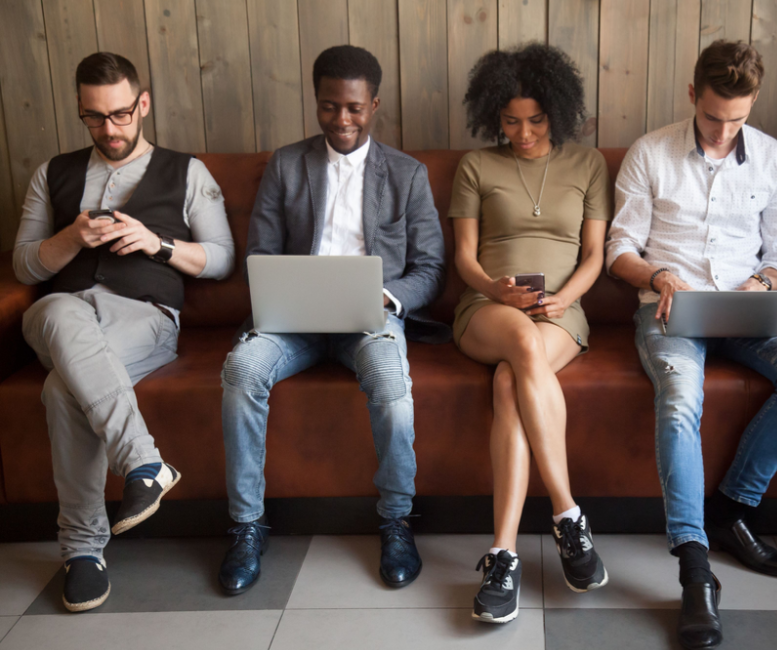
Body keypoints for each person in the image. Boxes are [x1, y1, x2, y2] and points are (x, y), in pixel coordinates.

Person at [606, 40, 777, 648]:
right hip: (670, 309)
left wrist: (762, 281)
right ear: (691, 96)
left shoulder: (776, 162)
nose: (723, 131)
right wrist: (657, 275)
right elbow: (618, 250)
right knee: (680, 398)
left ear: (753, 101)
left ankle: (733, 507)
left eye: (737, 118)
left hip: (748, 306)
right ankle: (694, 567)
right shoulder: (650, 153)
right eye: (713, 118)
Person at [218, 45, 446, 595]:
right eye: (328, 107)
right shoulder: (287, 163)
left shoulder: (407, 174)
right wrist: (278, 291)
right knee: (241, 371)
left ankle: (396, 520)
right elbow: (261, 254)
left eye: (353, 108)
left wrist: (387, 299)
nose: (341, 120)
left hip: (370, 317)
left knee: (392, 382)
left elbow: (431, 268)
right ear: (316, 103)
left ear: (374, 104)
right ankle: (247, 525)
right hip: (292, 321)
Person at [13, 52, 235, 612]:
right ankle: (142, 463)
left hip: (144, 316)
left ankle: (83, 550)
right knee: (58, 312)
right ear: (81, 112)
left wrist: (157, 244)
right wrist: (71, 239)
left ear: (143, 104)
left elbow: (222, 259)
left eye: (119, 115)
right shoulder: (52, 173)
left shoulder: (187, 171)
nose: (109, 130)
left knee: (63, 388)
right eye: (94, 117)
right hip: (61, 312)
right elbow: (23, 266)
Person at [450, 43, 611, 624]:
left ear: (557, 114)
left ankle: (504, 554)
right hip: (489, 307)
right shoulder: (476, 166)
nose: (523, 132)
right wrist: (497, 291)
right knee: (517, 345)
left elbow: (594, 255)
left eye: (536, 120)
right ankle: (569, 515)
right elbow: (465, 259)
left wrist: (566, 297)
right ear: (494, 113)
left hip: (562, 312)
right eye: (511, 121)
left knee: (506, 384)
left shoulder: (588, 163)